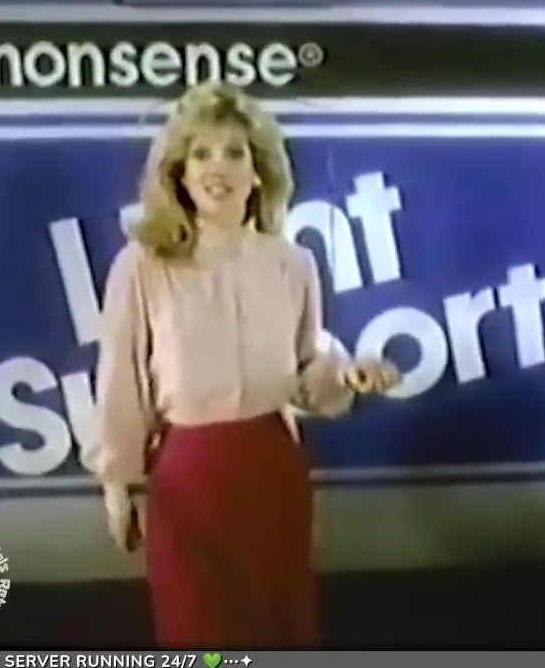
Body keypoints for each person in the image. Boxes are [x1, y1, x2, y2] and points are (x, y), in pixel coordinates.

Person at [84, 81, 400, 649]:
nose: (218, 167)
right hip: (188, 481)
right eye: (201, 153)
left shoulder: (291, 263)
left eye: (234, 152)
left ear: (259, 172)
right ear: (179, 173)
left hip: (272, 472)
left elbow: (308, 367)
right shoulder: (142, 266)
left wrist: (346, 374)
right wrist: (117, 483)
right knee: (201, 635)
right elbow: (120, 381)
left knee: (277, 626)